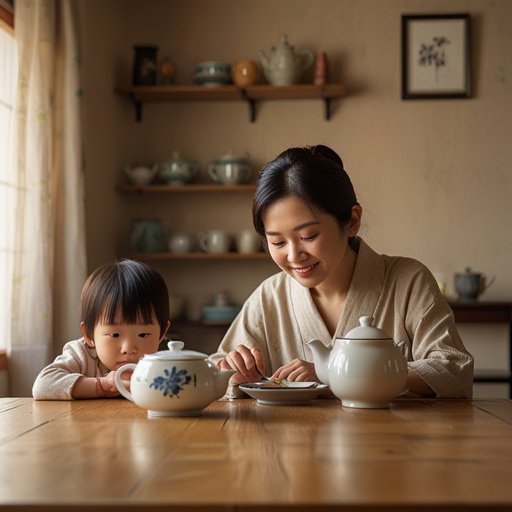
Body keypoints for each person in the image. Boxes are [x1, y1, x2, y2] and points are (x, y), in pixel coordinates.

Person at [211, 144, 474, 399]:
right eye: (277, 242)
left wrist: (337, 374)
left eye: (308, 235)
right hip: (293, 442)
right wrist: (233, 373)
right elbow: (214, 370)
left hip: (394, 440)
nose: (293, 255)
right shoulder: (270, 295)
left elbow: (453, 369)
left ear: (352, 221)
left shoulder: (408, 280)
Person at [32, 259, 170, 400]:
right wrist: (101, 386)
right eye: (114, 334)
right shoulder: (82, 355)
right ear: (89, 335)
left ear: (162, 333)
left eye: (143, 334)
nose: (128, 349)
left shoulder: (167, 365)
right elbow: (43, 385)